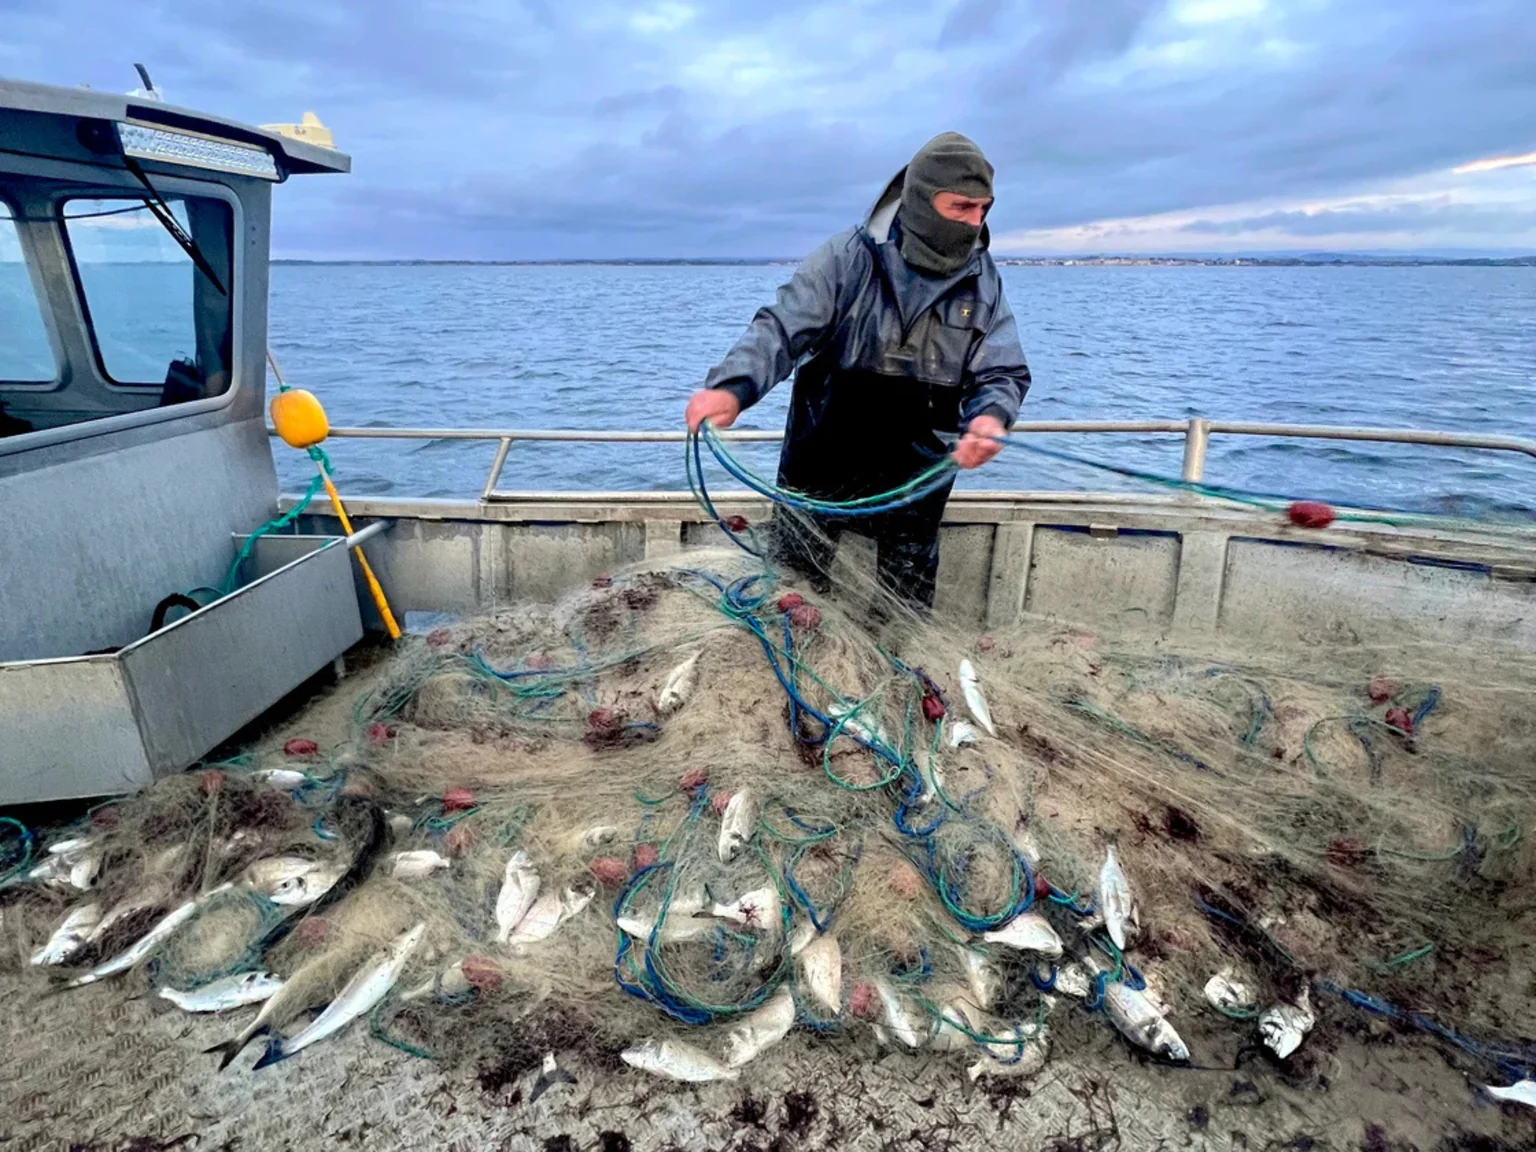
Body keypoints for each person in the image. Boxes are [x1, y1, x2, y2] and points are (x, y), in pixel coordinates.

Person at [686, 131, 1031, 612]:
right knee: (793, 588)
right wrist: (732, 388)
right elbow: (782, 327)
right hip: (823, 456)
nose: (974, 224)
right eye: (961, 208)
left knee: (904, 606)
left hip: (917, 471)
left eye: (983, 210)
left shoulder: (983, 280)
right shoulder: (848, 257)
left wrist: (990, 419)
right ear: (921, 200)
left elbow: (1002, 371)